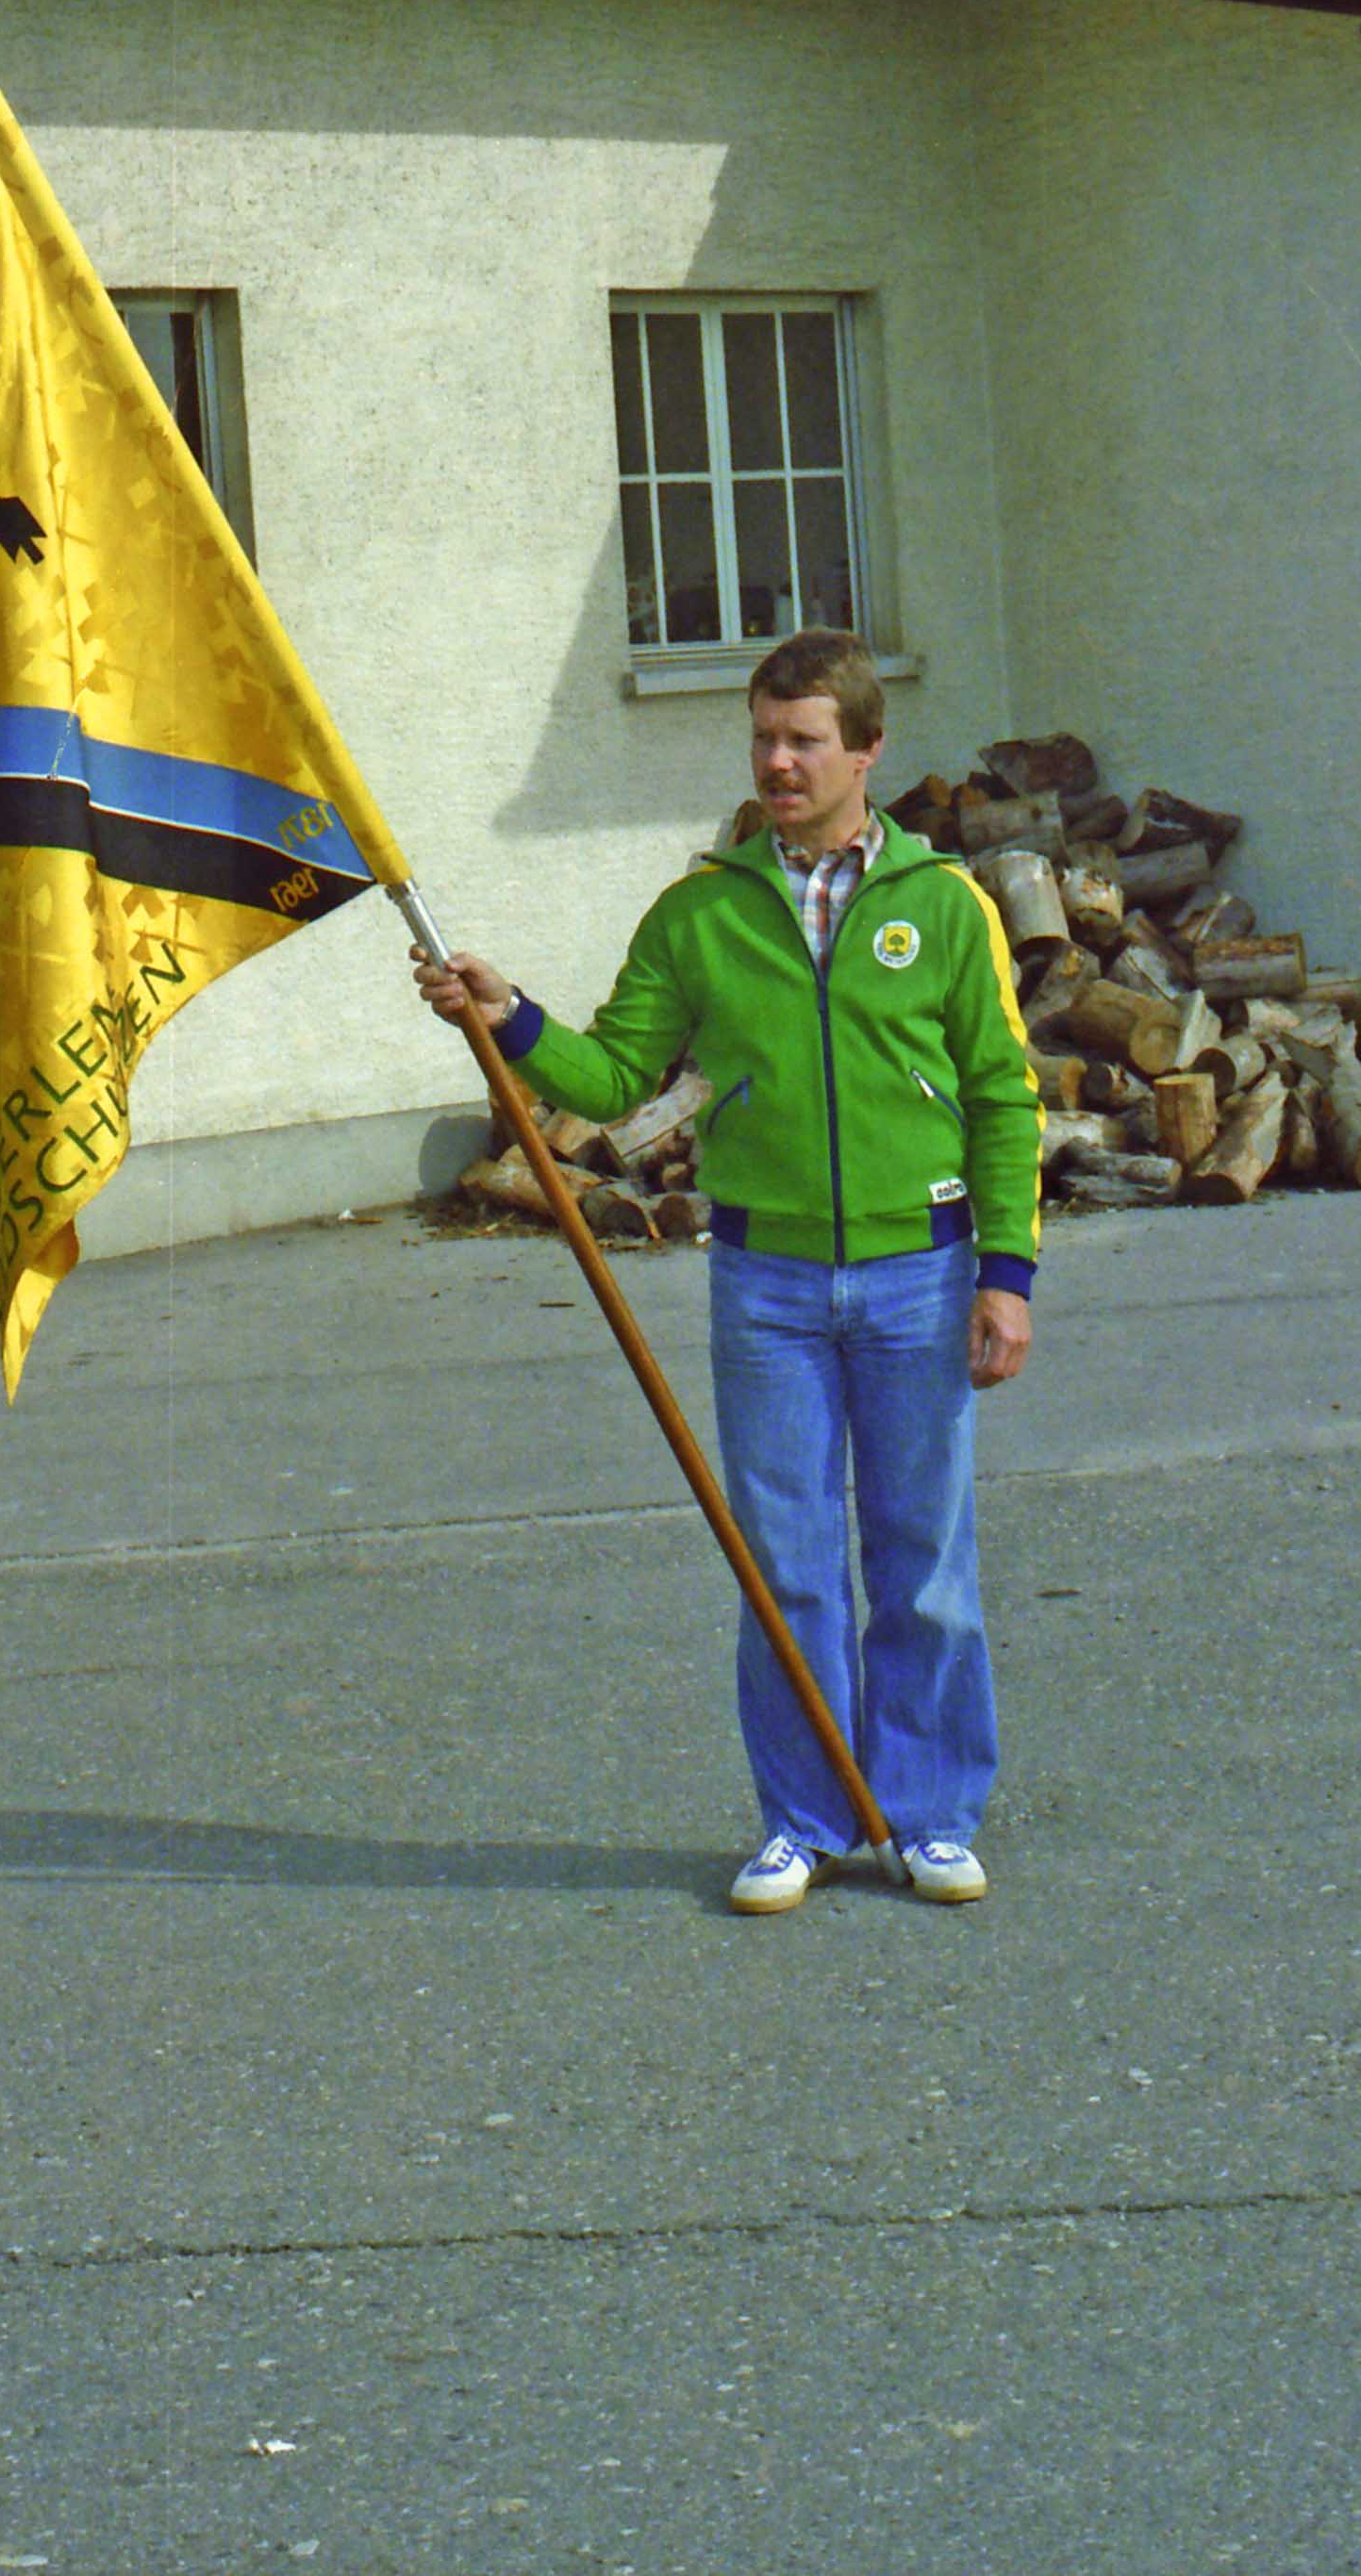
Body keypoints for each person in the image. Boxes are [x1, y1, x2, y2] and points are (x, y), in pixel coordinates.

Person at [412, 630, 1041, 1912]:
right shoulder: (700, 913)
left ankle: (928, 1814)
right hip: (769, 1288)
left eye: (806, 740)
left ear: (867, 751)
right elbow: (611, 1076)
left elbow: (1002, 1096)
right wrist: (507, 1013)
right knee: (785, 1566)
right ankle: (806, 1819)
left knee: (923, 1560)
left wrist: (1007, 1276)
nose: (779, 762)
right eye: (764, 737)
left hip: (919, 1276)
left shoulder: (945, 906)